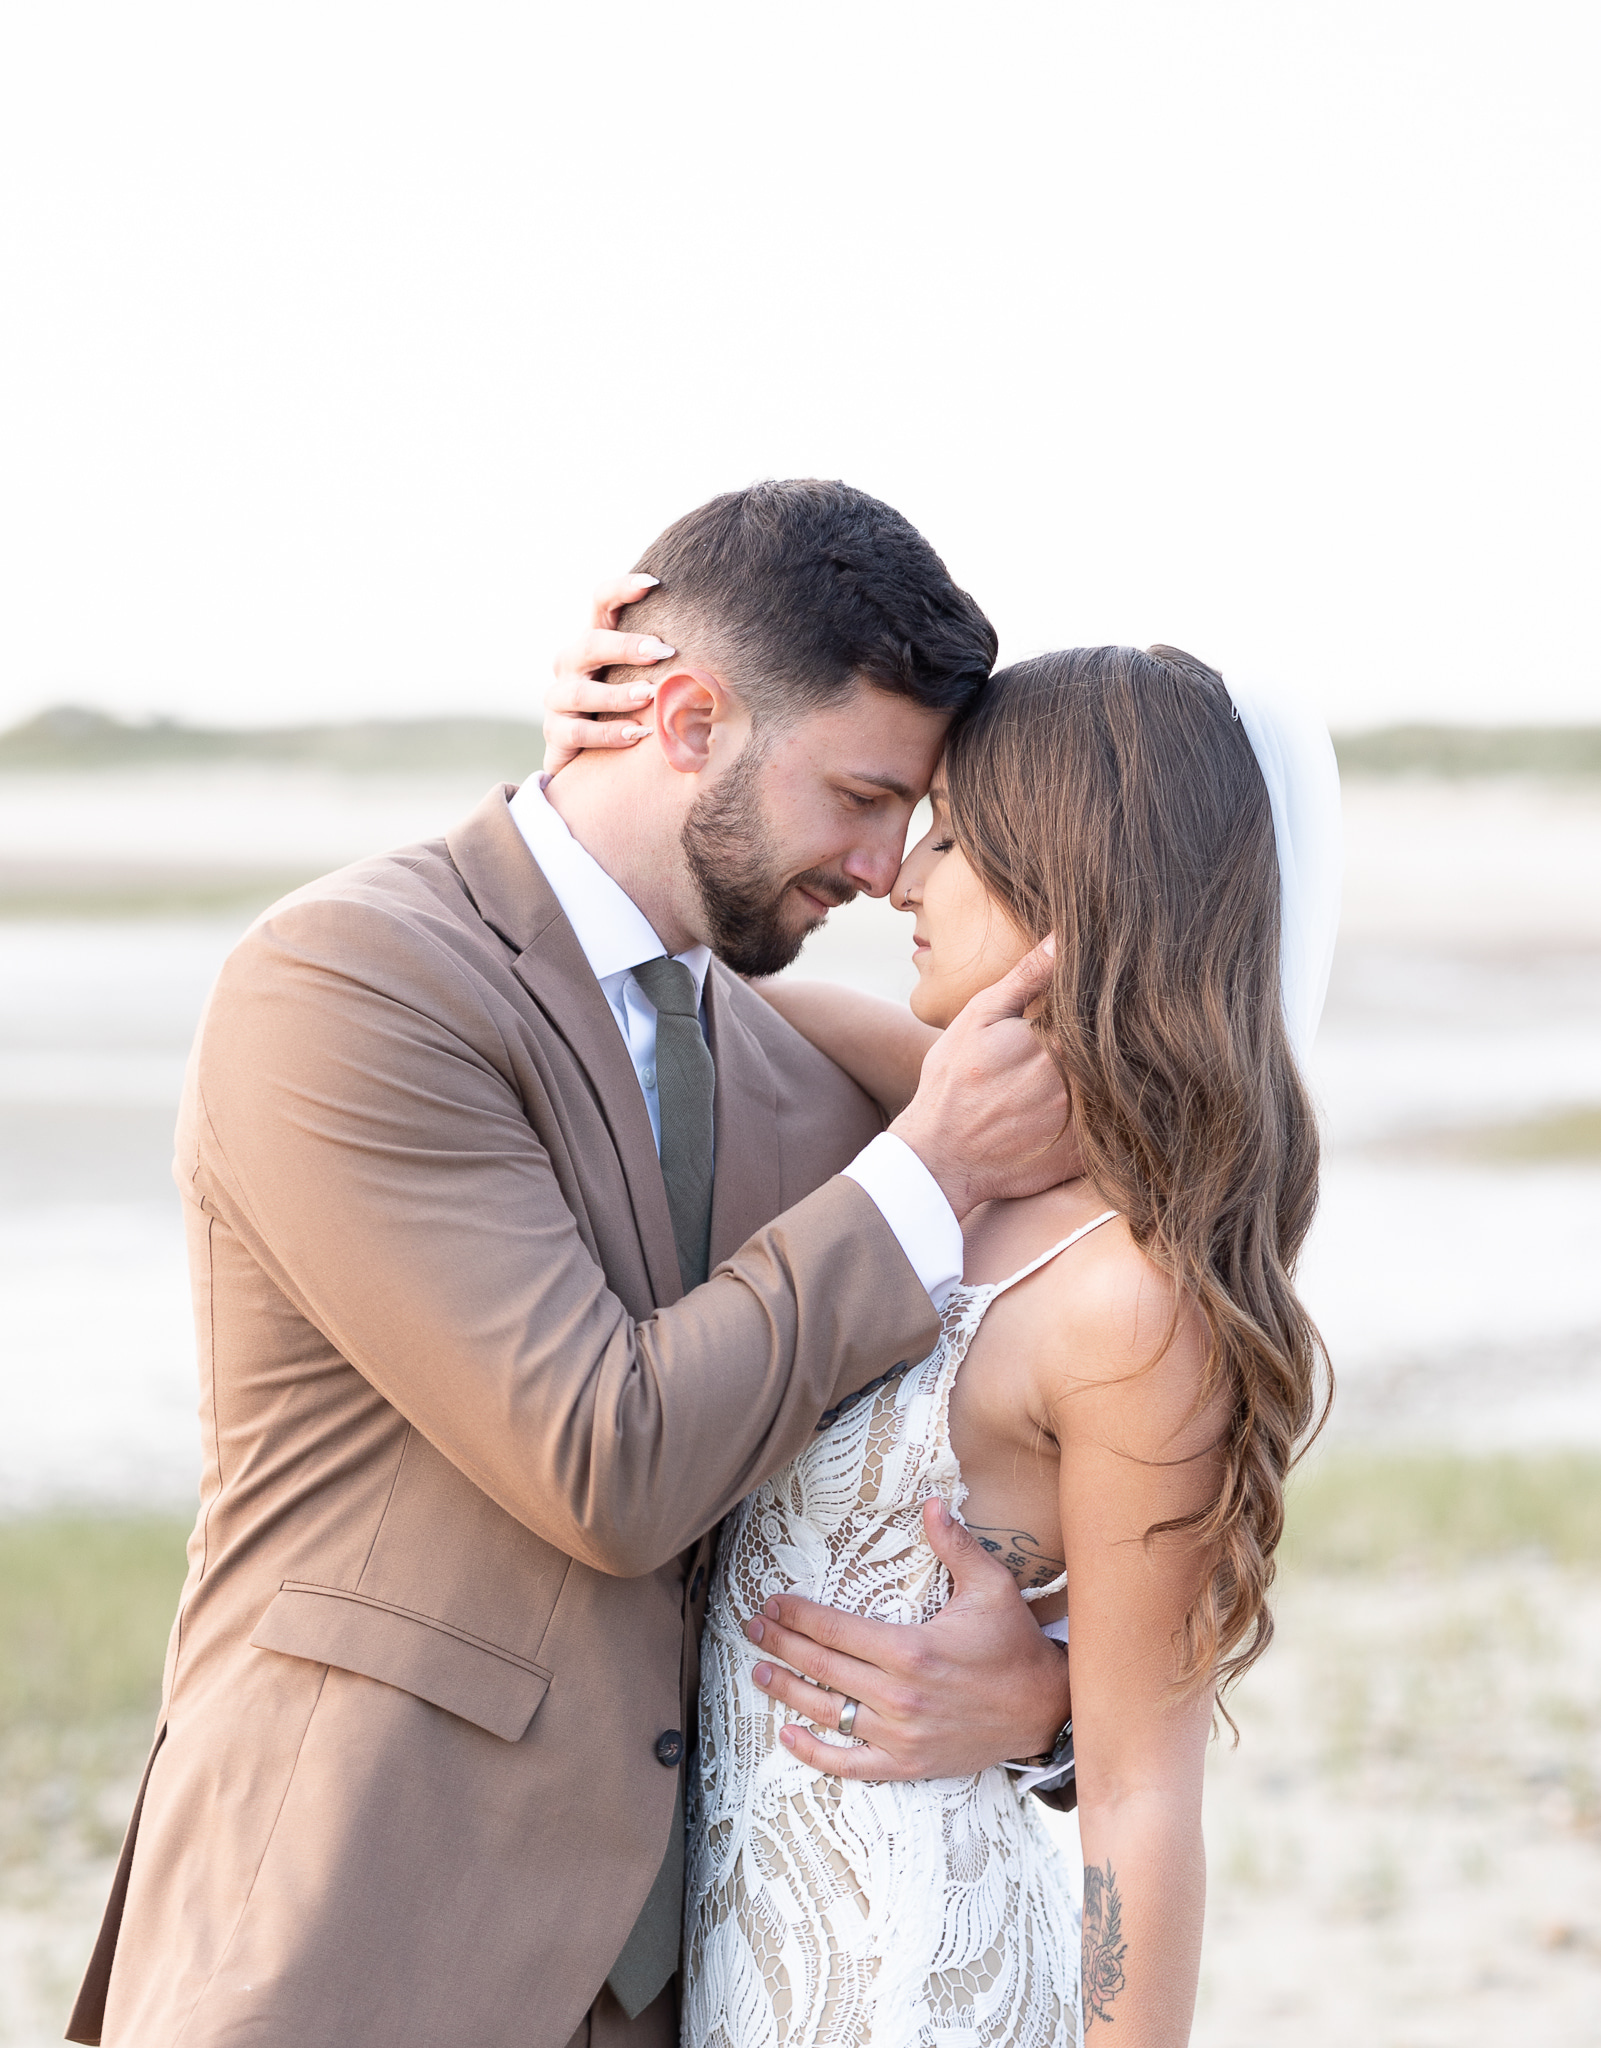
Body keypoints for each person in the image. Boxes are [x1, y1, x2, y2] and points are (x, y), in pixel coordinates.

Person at [66, 482, 1084, 2048]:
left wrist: (1055, 1696)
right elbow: (599, 1460)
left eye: (915, 819)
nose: (887, 869)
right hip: (354, 1932)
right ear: (683, 718)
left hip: (707, 1979)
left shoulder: (806, 1062)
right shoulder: (349, 981)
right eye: (862, 795)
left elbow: (1118, 1281)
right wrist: (930, 1166)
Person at [549, 634, 1341, 2044]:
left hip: (918, 1987)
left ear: (1075, 885)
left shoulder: (1127, 1306)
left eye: (955, 842)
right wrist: (592, 770)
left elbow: (1145, 1799)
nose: (900, 875)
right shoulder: (920, 1135)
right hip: (744, 1968)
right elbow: (642, 986)